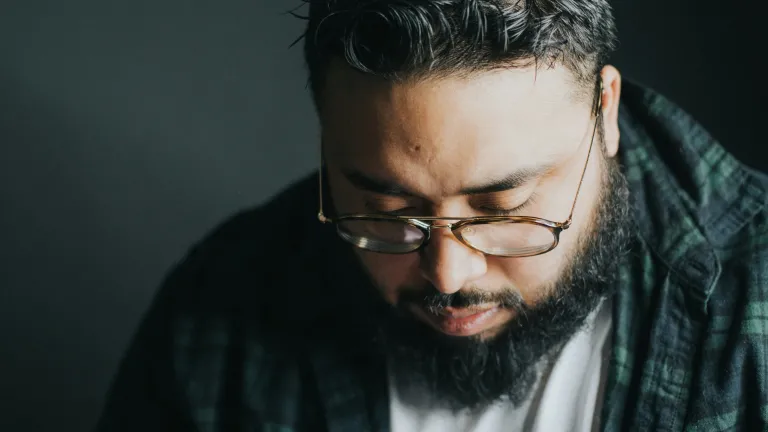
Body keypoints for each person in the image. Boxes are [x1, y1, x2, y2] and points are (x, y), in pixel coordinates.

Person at [95, 0, 768, 431]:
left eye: (503, 208)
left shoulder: (756, 316)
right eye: (385, 210)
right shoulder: (220, 313)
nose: (447, 274)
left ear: (605, 112)